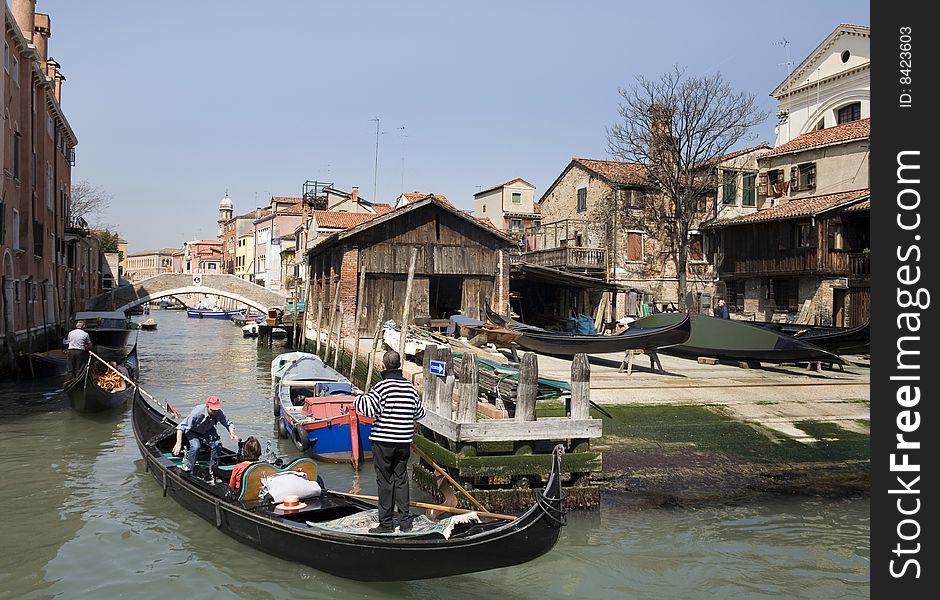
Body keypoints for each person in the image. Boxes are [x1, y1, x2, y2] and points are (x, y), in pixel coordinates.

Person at [354, 350, 426, 533]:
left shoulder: (381, 387)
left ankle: (386, 524)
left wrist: (357, 398)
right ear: (399, 365)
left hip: (383, 442)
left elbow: (368, 410)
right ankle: (405, 523)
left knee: (385, 481)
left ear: (384, 366)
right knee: (401, 480)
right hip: (403, 442)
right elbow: (420, 414)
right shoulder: (410, 388)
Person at [172, 395, 237, 481]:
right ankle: (189, 468)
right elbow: (181, 427)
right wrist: (178, 443)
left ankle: (213, 470)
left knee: (217, 444)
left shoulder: (219, 412)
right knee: (196, 446)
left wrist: (232, 433)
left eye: (216, 410)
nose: (214, 412)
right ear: (207, 406)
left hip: (208, 430)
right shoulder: (197, 412)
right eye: (212, 410)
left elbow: (228, 423)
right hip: (193, 430)